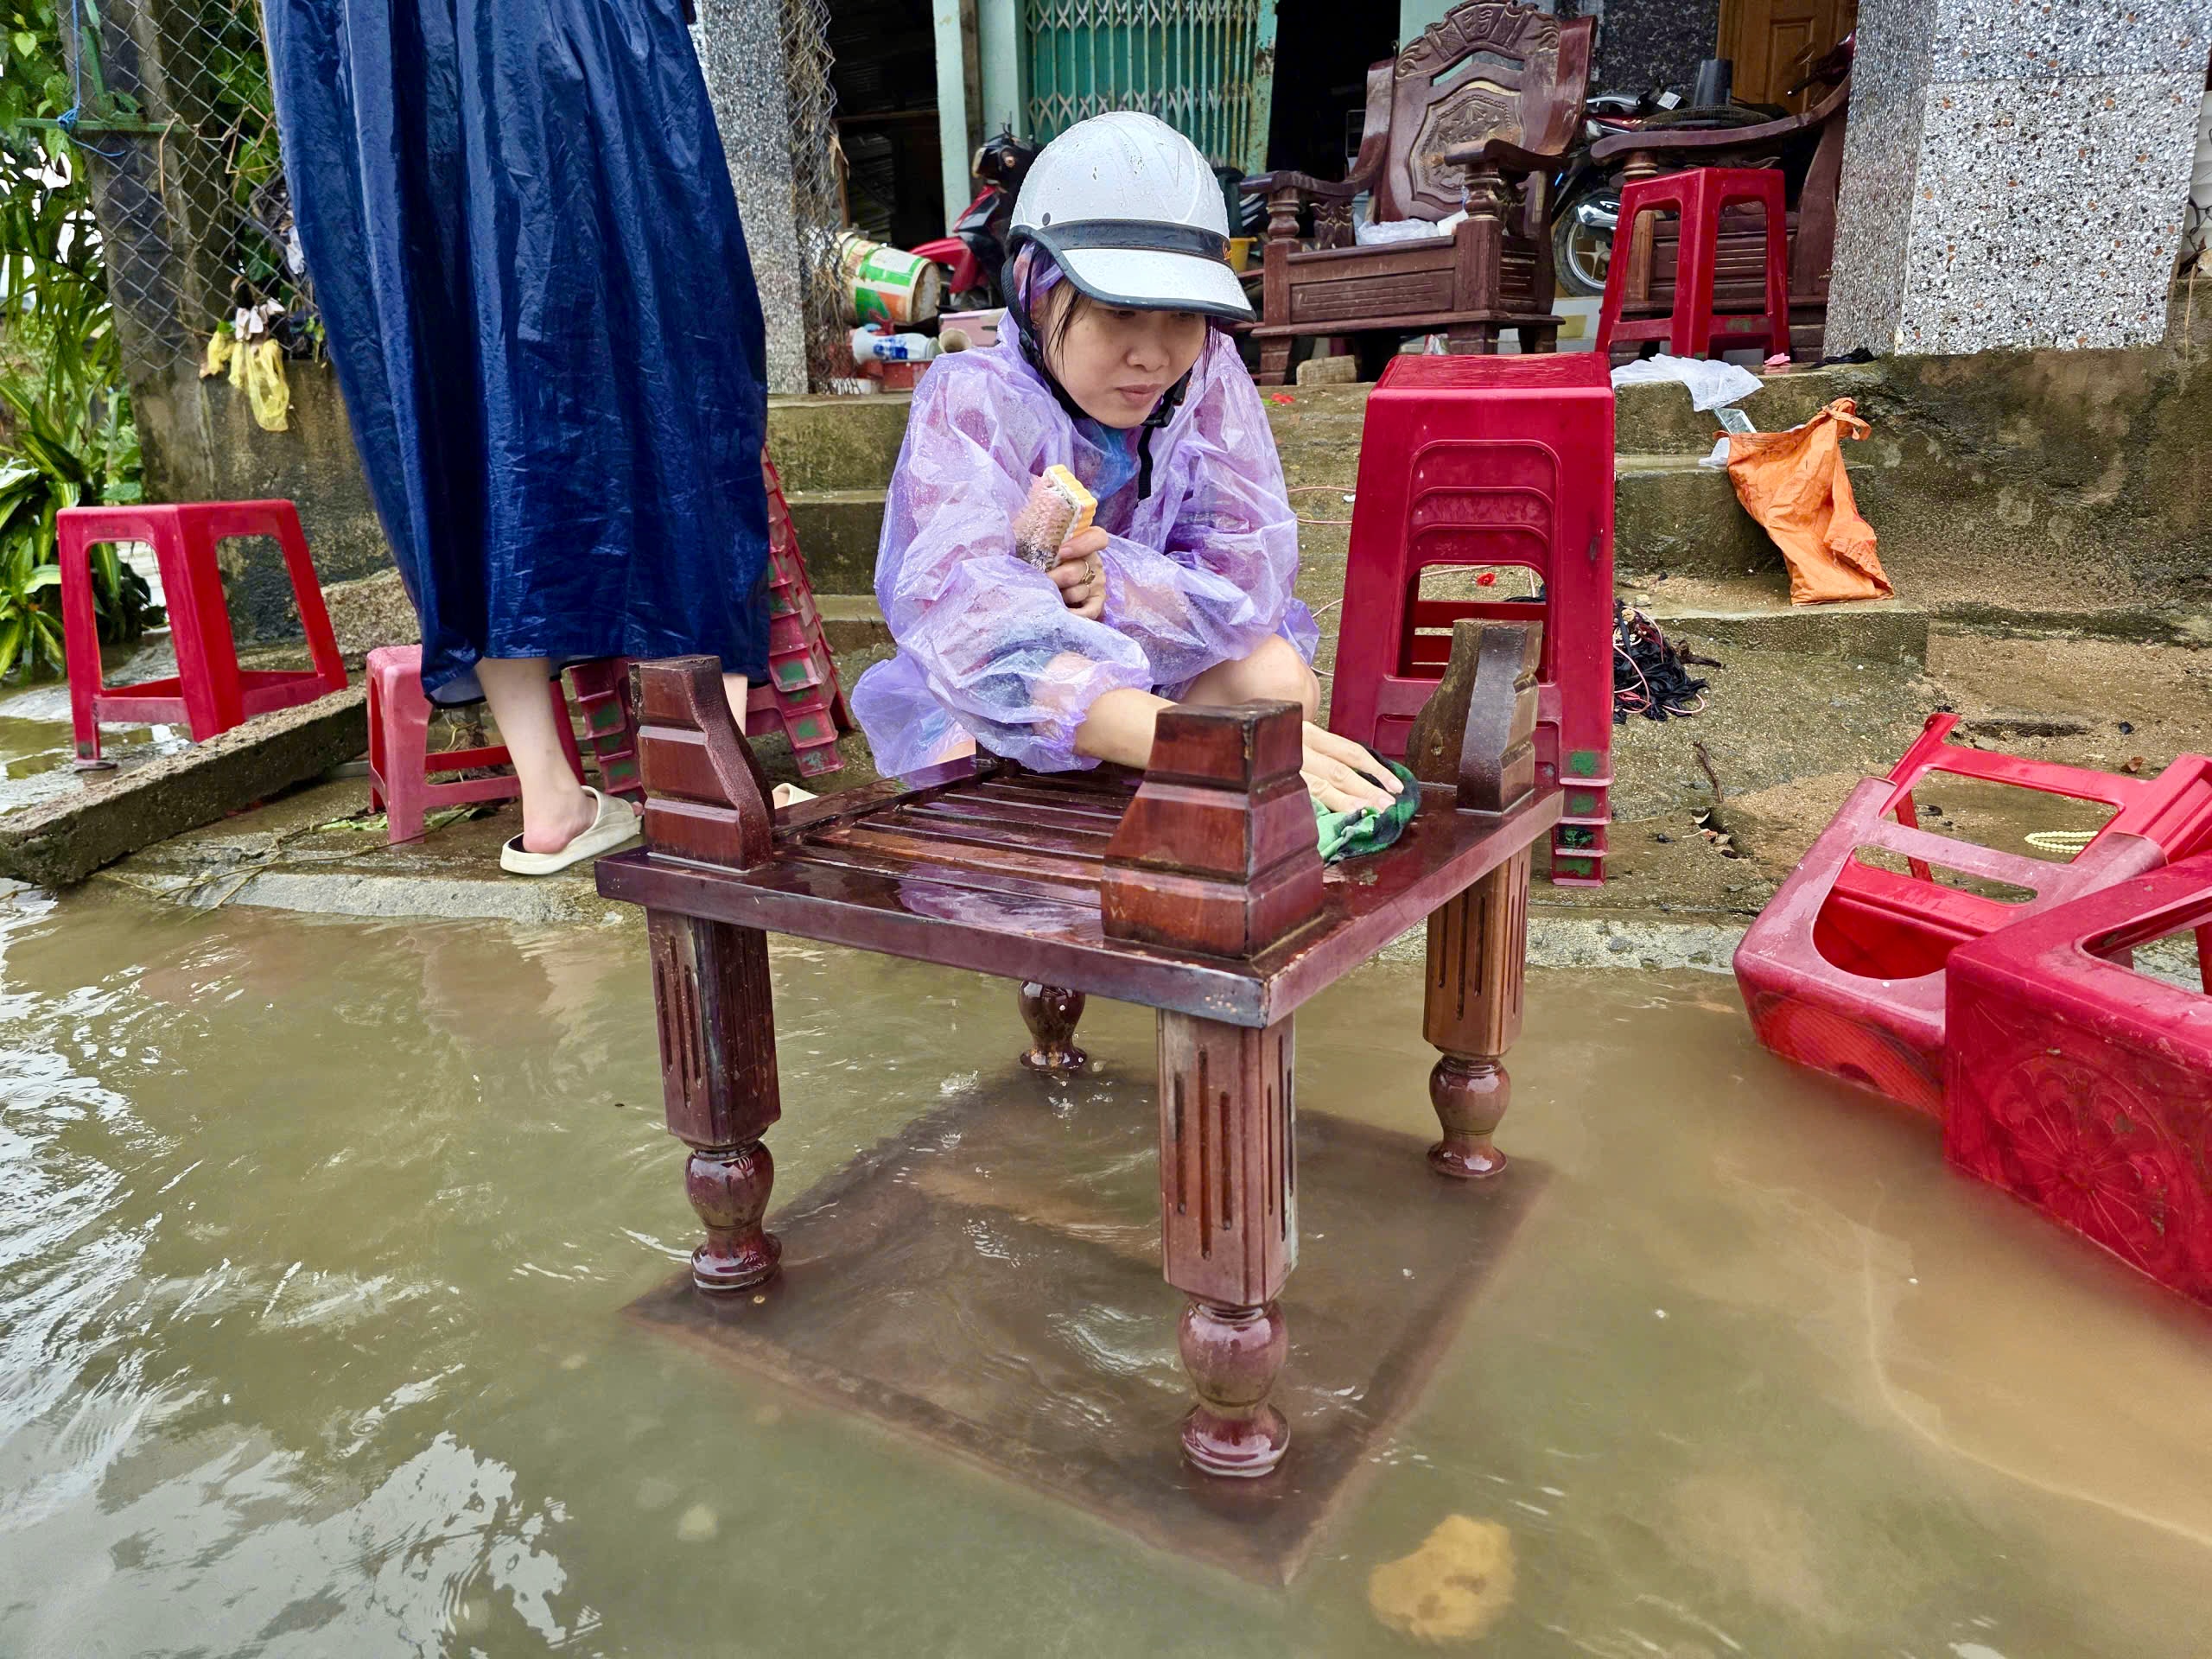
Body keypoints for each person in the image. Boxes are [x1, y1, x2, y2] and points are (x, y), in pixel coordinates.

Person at [264, 0, 772, 874]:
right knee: (668, 352)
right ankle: (703, 786)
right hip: (569, 37)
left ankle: (551, 799)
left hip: (369, 57)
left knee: (448, 387)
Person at [851, 111, 1401, 817]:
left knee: (1276, 680)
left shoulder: (1203, 378)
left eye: (1181, 316)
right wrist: (1192, 741)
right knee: (966, 782)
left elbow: (1246, 577)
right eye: (1119, 312)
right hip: (1006, 705)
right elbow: (972, 634)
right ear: (1037, 290)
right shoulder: (975, 403)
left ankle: (1170, 843)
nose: (1153, 356)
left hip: (1154, 683)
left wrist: (1125, 589)